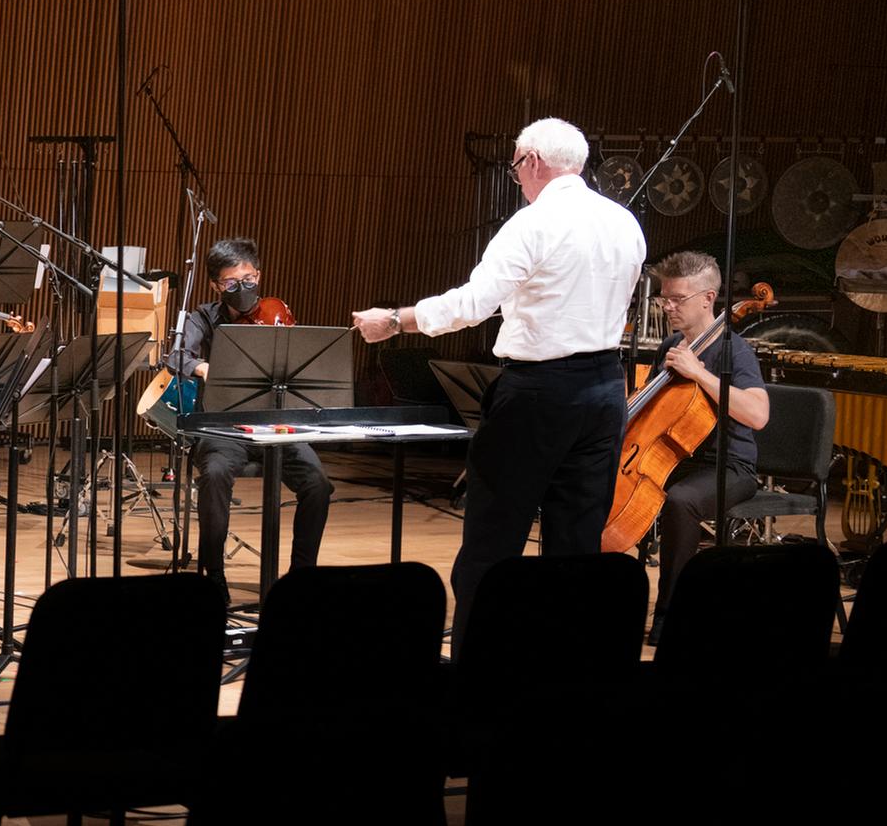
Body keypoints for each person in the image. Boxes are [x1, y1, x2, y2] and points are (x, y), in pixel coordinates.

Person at [353, 117, 646, 656]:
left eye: (516, 167)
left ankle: (479, 661)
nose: (518, 179)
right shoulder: (624, 223)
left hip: (540, 391)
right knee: (577, 541)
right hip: (606, 389)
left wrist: (394, 319)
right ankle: (566, 663)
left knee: (494, 534)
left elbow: (469, 306)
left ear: (533, 161)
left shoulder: (533, 224)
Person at [179, 237, 333, 606]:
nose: (242, 289)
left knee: (319, 485)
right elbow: (177, 357)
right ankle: (213, 574)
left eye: (248, 281)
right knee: (214, 476)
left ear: (258, 275)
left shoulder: (274, 311)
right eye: (232, 284)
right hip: (224, 426)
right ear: (217, 285)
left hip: (274, 423)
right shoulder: (201, 318)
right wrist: (205, 367)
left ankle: (301, 575)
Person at [641, 249, 770, 645]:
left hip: (729, 467)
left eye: (677, 299)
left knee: (680, 500)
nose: (668, 308)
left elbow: (758, 414)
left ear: (708, 299)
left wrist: (700, 373)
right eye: (664, 299)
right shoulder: (670, 347)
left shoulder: (734, 349)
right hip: (678, 458)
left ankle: (670, 614)